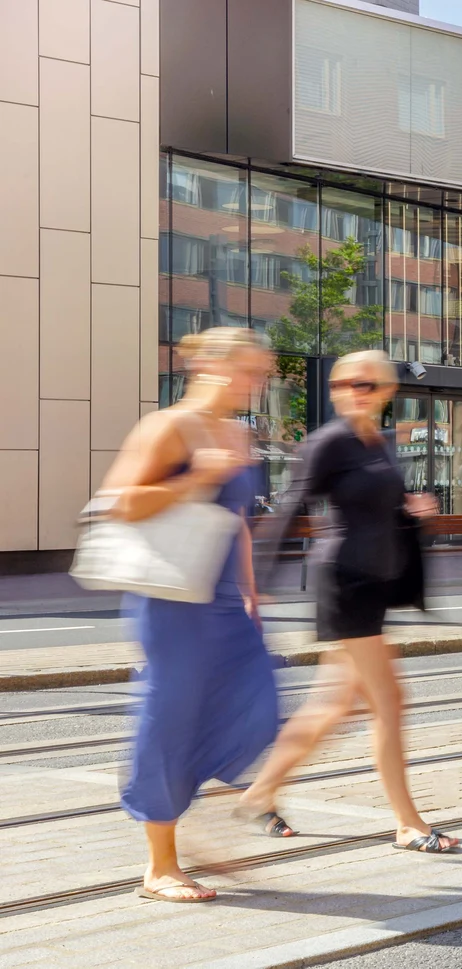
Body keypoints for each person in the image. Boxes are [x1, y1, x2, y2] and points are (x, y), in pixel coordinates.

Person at [244, 350, 457, 854]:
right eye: (341, 383)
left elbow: (383, 509)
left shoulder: (377, 444)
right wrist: (255, 585)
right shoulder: (329, 443)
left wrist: (413, 509)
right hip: (346, 583)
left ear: (386, 391)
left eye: (364, 384)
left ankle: (259, 793)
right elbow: (290, 507)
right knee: (390, 703)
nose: (350, 391)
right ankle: (407, 822)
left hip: (375, 583)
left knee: (333, 704)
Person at [101, 327, 280, 903]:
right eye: (251, 371)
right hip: (172, 599)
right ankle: (160, 864)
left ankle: (185, 808)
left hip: (224, 598)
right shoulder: (169, 426)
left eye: (262, 373)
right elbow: (122, 502)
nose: (258, 383)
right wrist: (200, 475)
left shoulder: (238, 431)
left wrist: (251, 593)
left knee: (256, 707)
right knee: (172, 719)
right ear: (210, 365)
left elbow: (238, 521)